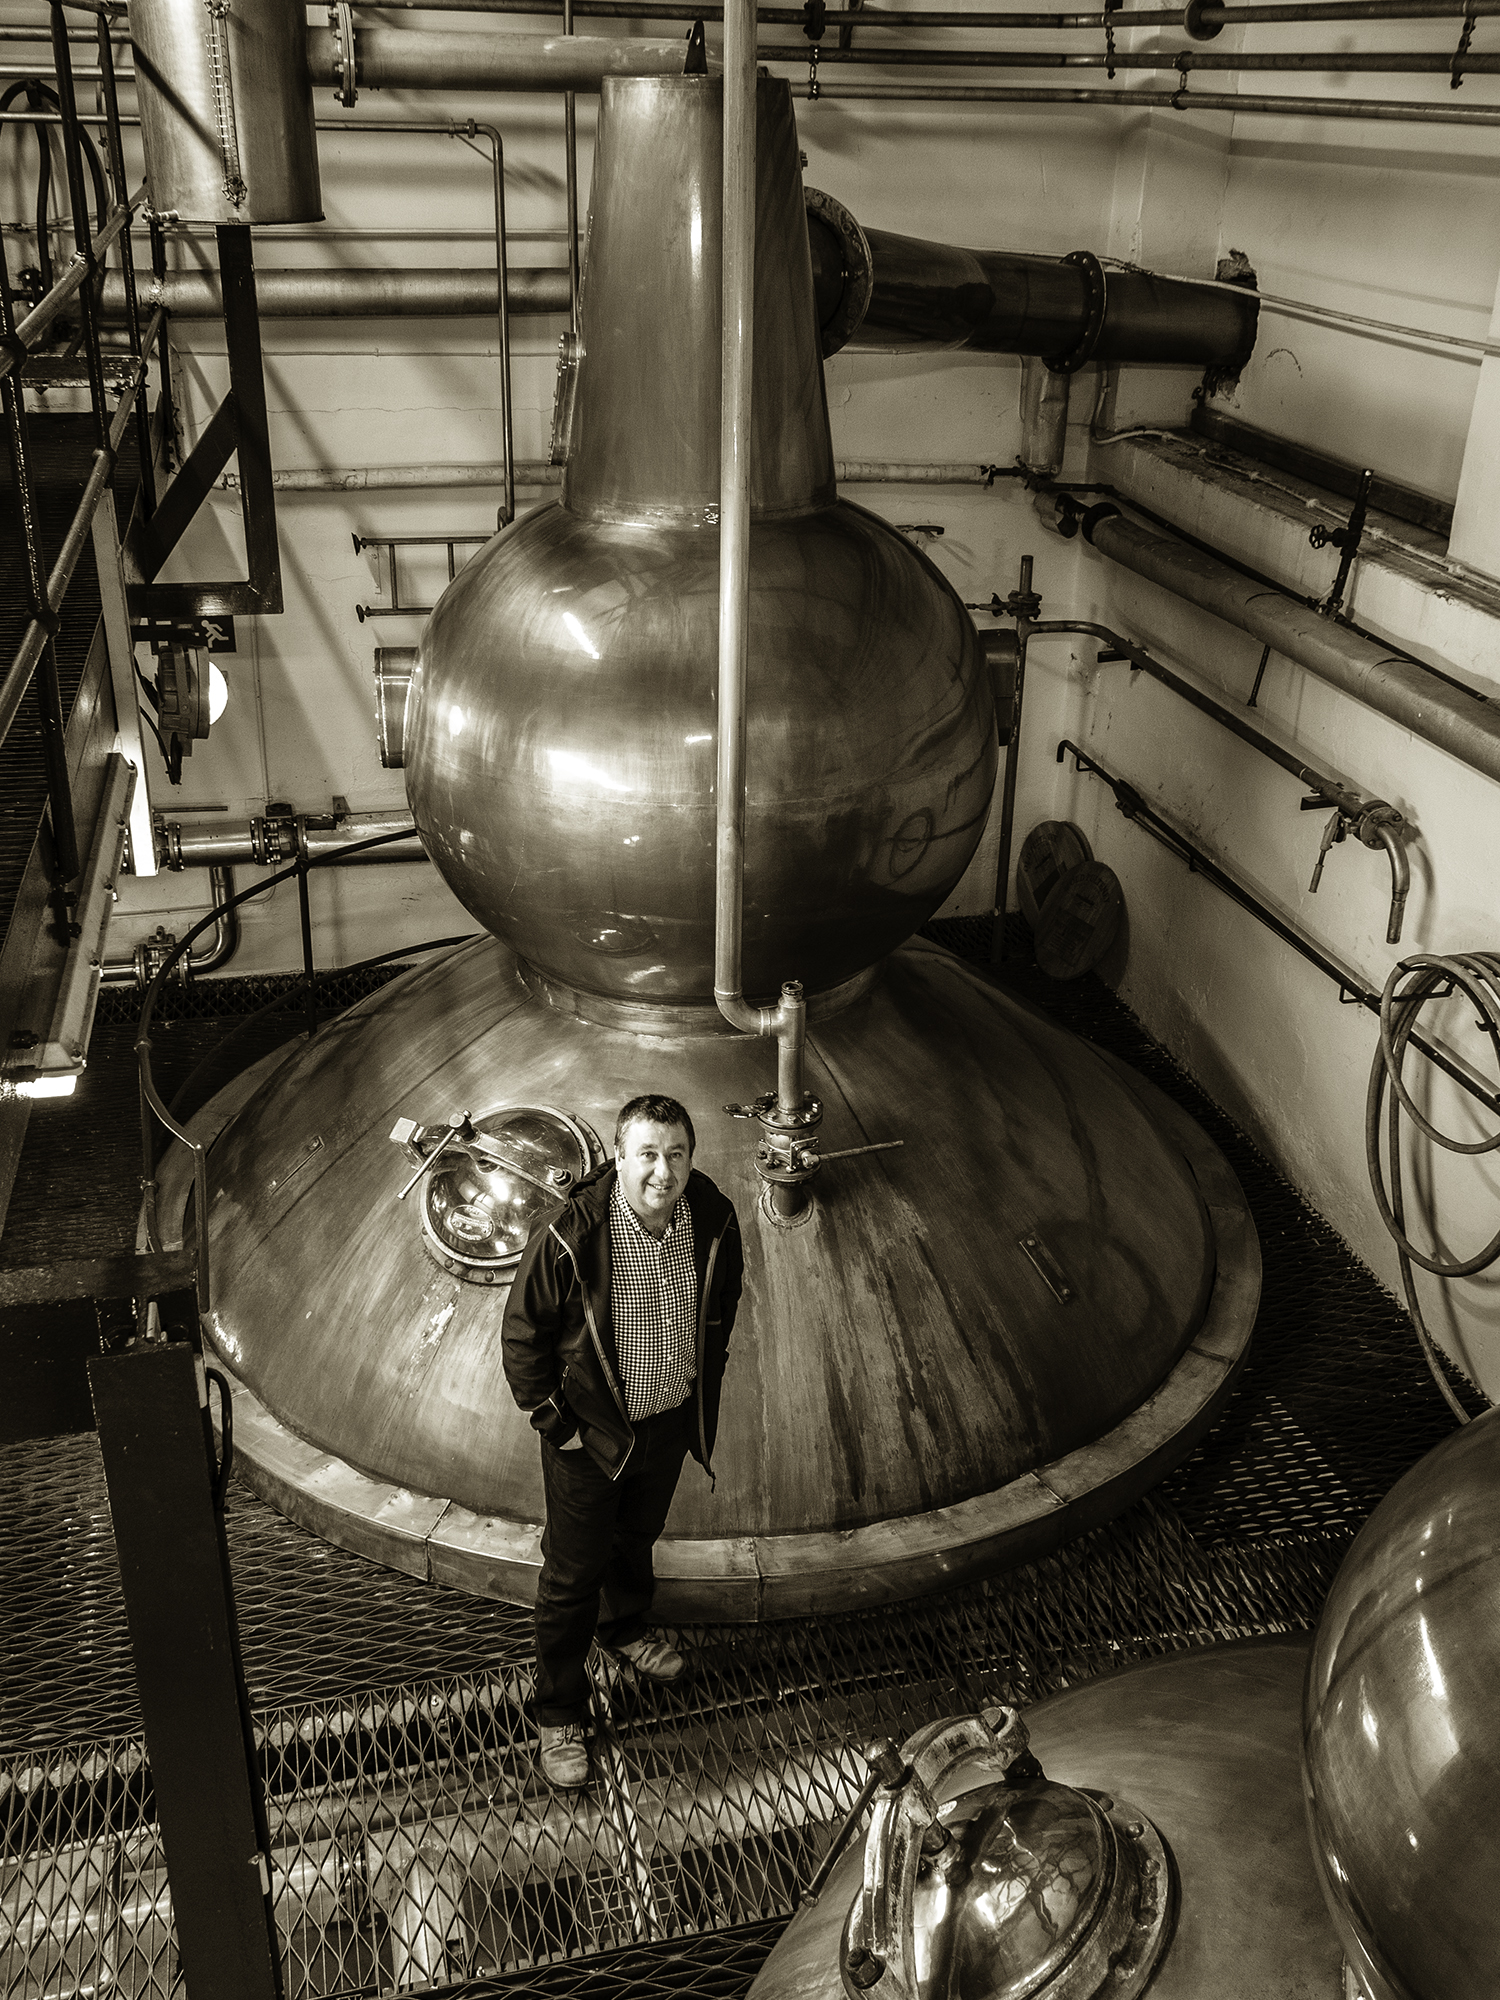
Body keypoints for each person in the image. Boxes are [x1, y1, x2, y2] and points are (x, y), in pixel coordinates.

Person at [502, 1092, 743, 1789]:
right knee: (571, 1577)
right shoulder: (573, 1231)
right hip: (593, 1436)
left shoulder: (714, 1217)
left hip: (666, 1422)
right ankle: (559, 1713)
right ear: (619, 1156)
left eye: (676, 1155)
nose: (662, 1172)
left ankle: (626, 1628)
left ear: (691, 1157)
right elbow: (523, 1335)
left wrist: (702, 1385)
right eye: (647, 1155)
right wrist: (560, 1426)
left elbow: (721, 1305)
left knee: (636, 1539)